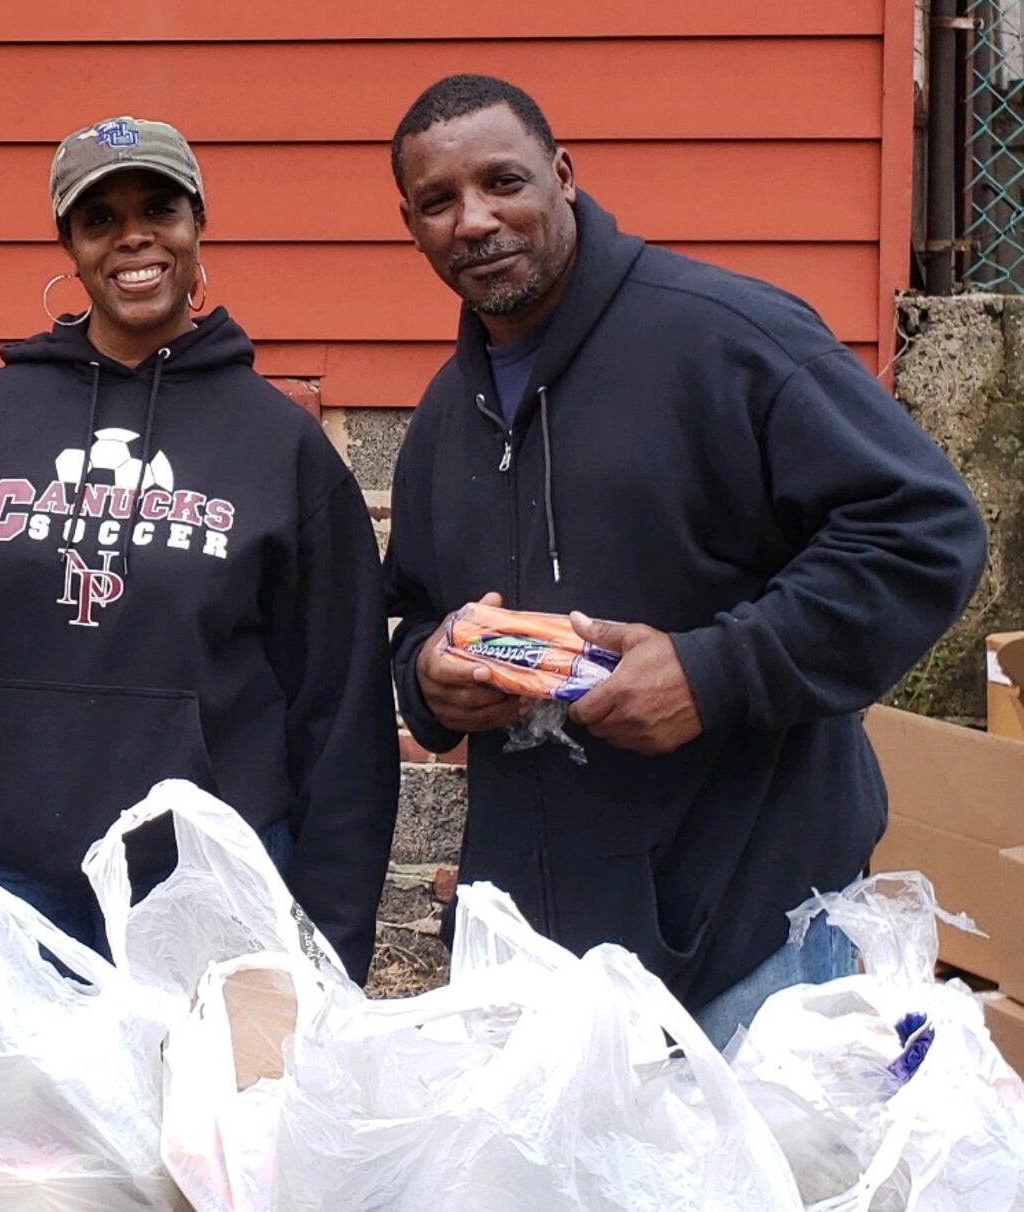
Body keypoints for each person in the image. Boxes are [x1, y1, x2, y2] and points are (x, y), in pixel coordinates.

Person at [381, 75, 987, 1041]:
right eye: (439, 202)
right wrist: (428, 674)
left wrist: (713, 672)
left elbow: (921, 530)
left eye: (504, 182)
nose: (476, 220)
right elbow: (412, 613)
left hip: (759, 942)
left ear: (565, 177)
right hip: (550, 967)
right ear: (411, 225)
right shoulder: (445, 424)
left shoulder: (726, 340)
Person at [0, 116, 397, 981]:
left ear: (197, 226)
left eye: (159, 209)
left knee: (197, 1122)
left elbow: (341, 717)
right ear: (69, 242)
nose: (133, 236)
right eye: (99, 218)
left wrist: (328, 946)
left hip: (208, 901)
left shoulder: (279, 448)